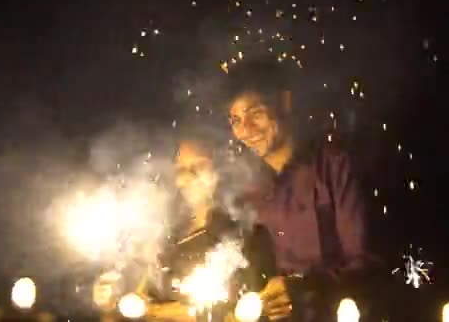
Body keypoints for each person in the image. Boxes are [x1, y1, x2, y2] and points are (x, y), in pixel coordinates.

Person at [224, 59, 378, 321]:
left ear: (285, 102)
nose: (245, 130)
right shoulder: (249, 187)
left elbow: (368, 263)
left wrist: (305, 287)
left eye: (256, 113)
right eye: (236, 120)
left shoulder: (335, 166)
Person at [142, 131, 278, 321]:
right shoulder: (168, 239)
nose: (188, 177)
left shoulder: (245, 235)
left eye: (199, 166)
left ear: (219, 171)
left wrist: (159, 311)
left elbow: (245, 309)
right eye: (181, 170)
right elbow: (146, 297)